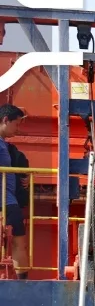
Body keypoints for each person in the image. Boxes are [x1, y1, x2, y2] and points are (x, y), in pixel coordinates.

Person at [0, 105, 30, 279]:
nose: (17, 129)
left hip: (8, 199)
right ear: (5, 120)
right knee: (19, 242)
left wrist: (21, 177)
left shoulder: (5, 145)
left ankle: (23, 283)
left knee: (19, 241)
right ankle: (23, 285)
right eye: (16, 124)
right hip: (5, 200)